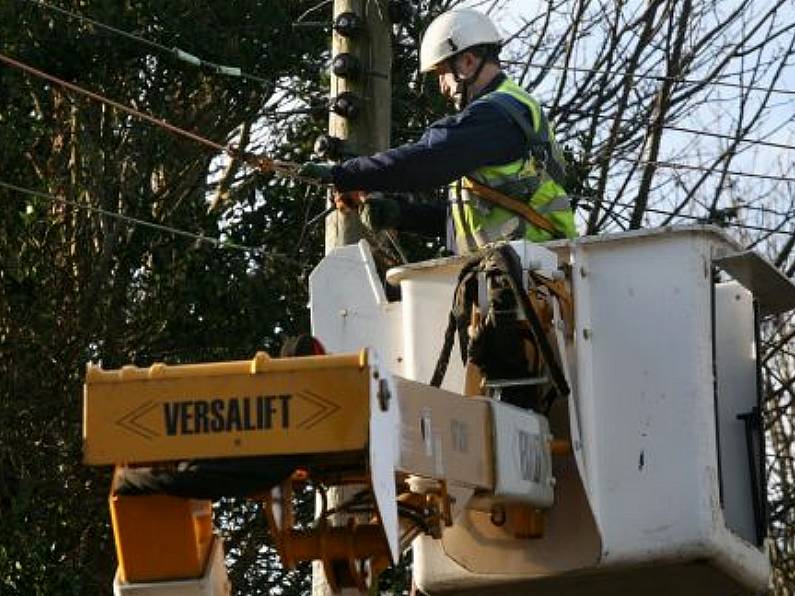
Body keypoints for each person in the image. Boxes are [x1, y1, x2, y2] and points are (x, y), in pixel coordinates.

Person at [300, 8, 577, 254]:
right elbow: (471, 216)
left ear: (468, 62)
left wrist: (345, 174)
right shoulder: (511, 112)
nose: (442, 87)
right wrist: (400, 214)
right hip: (529, 265)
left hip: (534, 268)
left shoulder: (497, 114)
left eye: (442, 73)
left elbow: (428, 159)